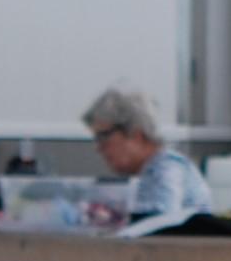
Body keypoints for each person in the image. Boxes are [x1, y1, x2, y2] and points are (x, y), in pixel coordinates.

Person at [80, 87, 209, 235]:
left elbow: (159, 223)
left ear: (136, 134)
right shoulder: (149, 172)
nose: (99, 148)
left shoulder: (167, 168)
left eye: (104, 136)